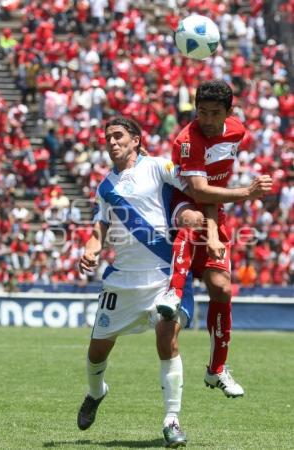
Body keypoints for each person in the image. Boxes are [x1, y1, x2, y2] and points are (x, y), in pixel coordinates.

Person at [77, 116, 220, 448]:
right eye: (107, 137)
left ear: (136, 140)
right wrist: (92, 246)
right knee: (98, 350)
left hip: (162, 275)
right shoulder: (105, 187)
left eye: (118, 136)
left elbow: (197, 190)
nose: (111, 142)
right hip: (122, 280)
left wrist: (198, 219)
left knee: (166, 339)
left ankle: (172, 420)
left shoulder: (158, 166)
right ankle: (96, 392)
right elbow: (100, 227)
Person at [156, 80, 273, 398]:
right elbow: (197, 190)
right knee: (191, 218)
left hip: (214, 208)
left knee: (222, 287)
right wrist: (247, 193)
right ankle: (172, 294)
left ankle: (216, 370)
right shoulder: (187, 140)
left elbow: (212, 192)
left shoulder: (237, 132)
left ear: (228, 112)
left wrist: (213, 229)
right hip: (181, 203)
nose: (206, 119)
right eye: (201, 112)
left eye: (214, 113)